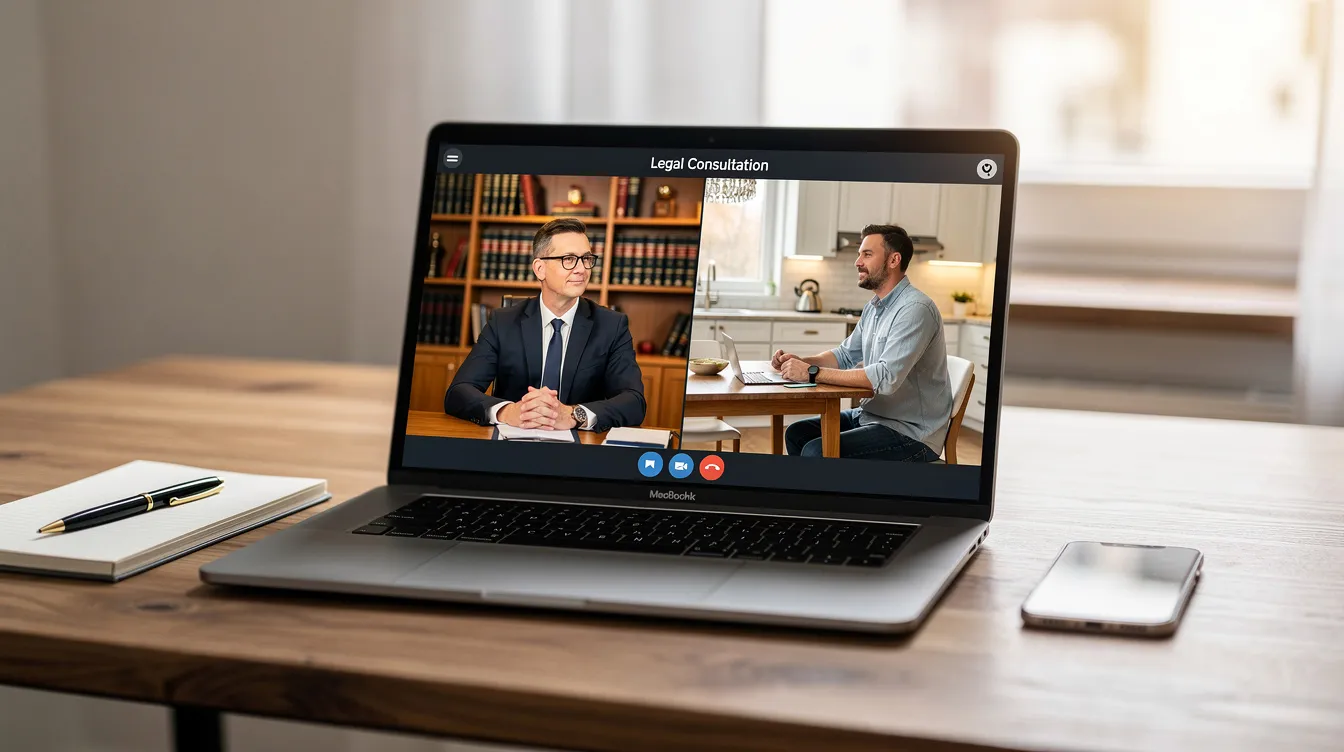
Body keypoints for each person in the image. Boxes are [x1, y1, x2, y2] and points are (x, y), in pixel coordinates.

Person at [445, 218, 645, 432]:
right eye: (569, 259)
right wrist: (508, 412)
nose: (582, 269)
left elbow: (634, 402)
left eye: (586, 259)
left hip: (579, 444)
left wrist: (574, 415)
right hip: (512, 441)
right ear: (540, 269)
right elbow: (458, 392)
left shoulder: (611, 326)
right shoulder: (503, 322)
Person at [777, 224, 952, 461]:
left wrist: (811, 373)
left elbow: (886, 378)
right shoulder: (874, 307)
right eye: (859, 254)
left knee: (816, 451)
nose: (857, 262)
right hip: (871, 416)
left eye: (867, 254)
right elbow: (844, 355)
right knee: (797, 434)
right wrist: (800, 362)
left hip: (911, 432)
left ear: (894, 260)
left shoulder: (916, 309)